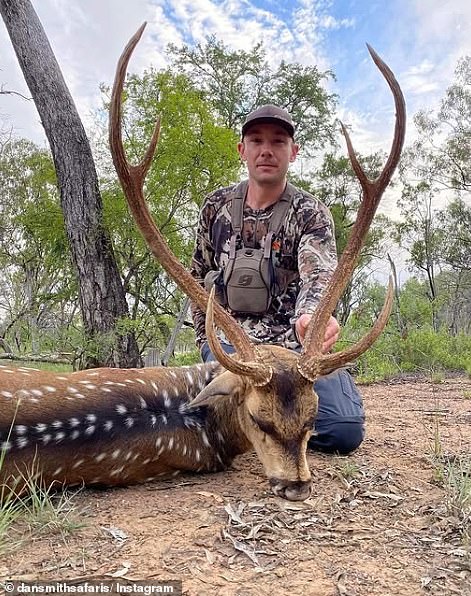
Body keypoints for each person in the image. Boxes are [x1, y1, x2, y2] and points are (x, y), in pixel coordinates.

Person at [189, 104, 364, 454]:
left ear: (293, 152)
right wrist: (206, 341)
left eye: (278, 141)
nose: (266, 150)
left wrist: (311, 317)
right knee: (197, 424)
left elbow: (319, 273)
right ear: (243, 150)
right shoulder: (215, 207)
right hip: (232, 349)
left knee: (341, 431)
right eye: (256, 140)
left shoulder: (310, 213)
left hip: (292, 353)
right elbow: (196, 278)